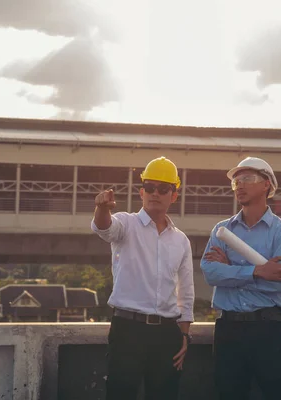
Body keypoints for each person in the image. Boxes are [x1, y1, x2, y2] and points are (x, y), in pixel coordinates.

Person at [91, 156, 195, 400]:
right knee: (120, 394)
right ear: (141, 192)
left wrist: (184, 334)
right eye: (149, 187)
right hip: (128, 330)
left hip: (167, 334)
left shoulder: (180, 240)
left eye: (163, 188)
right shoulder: (126, 224)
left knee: (165, 395)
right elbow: (103, 227)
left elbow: (186, 290)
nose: (154, 193)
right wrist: (102, 208)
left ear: (174, 195)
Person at [200, 156, 281, 400]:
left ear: (267, 185)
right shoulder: (222, 230)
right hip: (228, 329)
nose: (239, 185)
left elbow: (278, 281)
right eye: (236, 181)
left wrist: (230, 268)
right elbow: (210, 272)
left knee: (279, 393)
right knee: (228, 394)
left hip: (268, 328)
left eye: (247, 179)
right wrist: (255, 270)